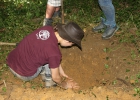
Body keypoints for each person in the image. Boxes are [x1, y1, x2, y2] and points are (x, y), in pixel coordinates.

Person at [6, 22, 84, 89]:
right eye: (72, 43)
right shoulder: (54, 53)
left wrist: (61, 71)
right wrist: (65, 85)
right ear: (67, 40)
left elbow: (52, 55)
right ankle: (49, 83)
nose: (71, 46)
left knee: (45, 53)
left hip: (11, 61)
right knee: (48, 60)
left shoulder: (47, 29)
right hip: (23, 74)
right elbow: (56, 78)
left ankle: (44, 73)